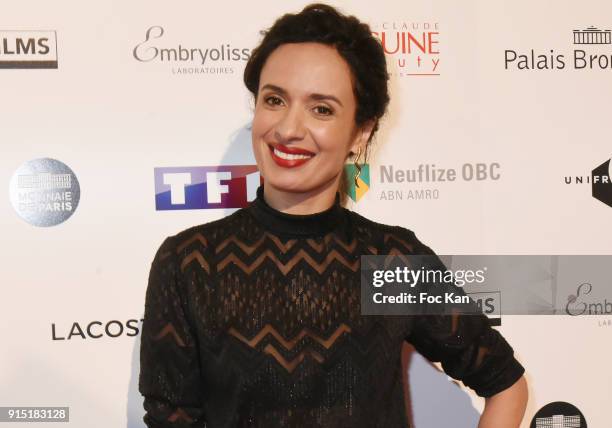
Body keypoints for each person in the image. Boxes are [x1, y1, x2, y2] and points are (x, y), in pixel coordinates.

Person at [138, 3, 528, 427]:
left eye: (321, 109)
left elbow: (505, 383)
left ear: (360, 132)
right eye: (274, 100)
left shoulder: (388, 260)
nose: (288, 129)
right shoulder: (191, 262)